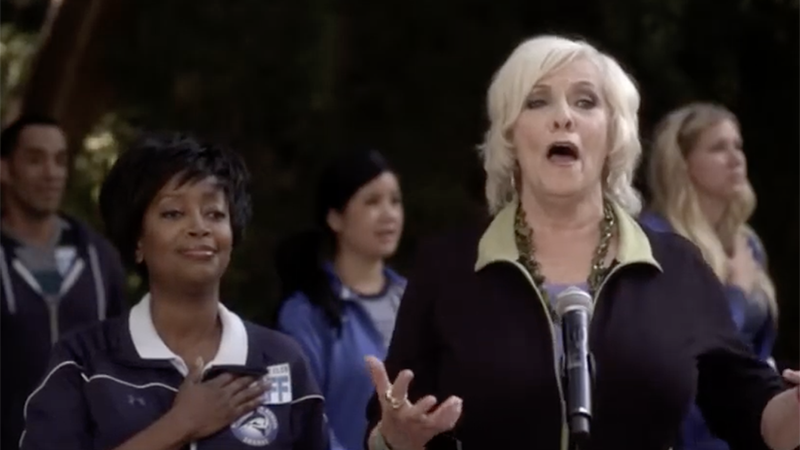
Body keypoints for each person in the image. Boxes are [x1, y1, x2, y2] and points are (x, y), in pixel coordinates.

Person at [361, 35, 800, 450]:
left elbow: (753, 411)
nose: (563, 116)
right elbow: (390, 422)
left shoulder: (677, 267)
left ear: (614, 136)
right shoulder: (449, 268)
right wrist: (393, 438)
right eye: (537, 101)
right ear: (511, 137)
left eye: (585, 101)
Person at [20, 132, 329, 450]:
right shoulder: (82, 362)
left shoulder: (281, 362)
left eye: (215, 214)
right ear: (137, 242)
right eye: (173, 213)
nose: (199, 227)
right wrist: (180, 425)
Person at [641, 102, 780, 450]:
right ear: (683, 164)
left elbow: (756, 354)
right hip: (691, 433)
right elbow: (689, 351)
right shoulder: (658, 241)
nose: (735, 158)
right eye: (718, 148)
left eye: (738, 145)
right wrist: (736, 293)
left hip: (751, 426)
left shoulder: (745, 242)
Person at [0, 114, 127, 449]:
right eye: (35, 159)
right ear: (4, 169)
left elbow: (123, 357)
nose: (51, 173)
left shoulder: (99, 258)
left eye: (59, 160)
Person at [276, 149, 406, 450]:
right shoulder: (306, 313)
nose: (389, 214)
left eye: (395, 201)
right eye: (372, 202)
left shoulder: (417, 299)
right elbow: (301, 418)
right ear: (335, 218)